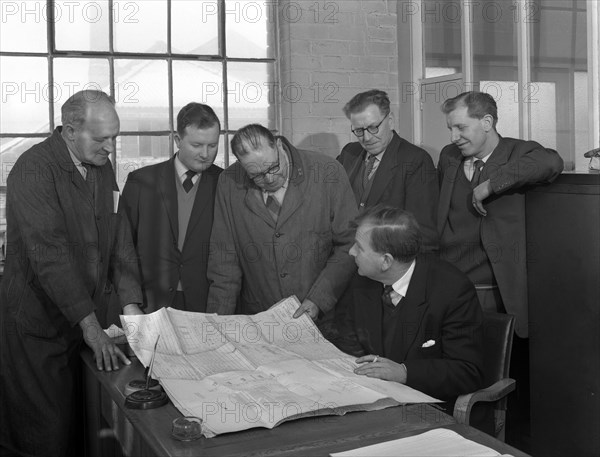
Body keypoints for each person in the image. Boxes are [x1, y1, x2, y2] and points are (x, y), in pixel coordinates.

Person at [0, 90, 143, 457]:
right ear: (68, 132)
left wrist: (130, 305)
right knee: (47, 435)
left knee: (86, 430)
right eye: (101, 138)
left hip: (81, 323)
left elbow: (119, 233)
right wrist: (92, 328)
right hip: (39, 328)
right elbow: (50, 256)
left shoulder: (100, 163)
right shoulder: (32, 170)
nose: (110, 146)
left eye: (115, 136)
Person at [437, 91, 564, 337]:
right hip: (450, 283)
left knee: (493, 365)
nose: (454, 137)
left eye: (461, 127)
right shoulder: (448, 156)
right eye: (450, 128)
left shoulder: (518, 152)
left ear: (487, 122)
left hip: (494, 290)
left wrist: (491, 184)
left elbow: (551, 162)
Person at [206, 124, 357, 321]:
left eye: (273, 167)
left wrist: (319, 299)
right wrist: (217, 323)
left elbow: (350, 244)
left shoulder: (328, 172)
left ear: (278, 145)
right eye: (257, 176)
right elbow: (224, 261)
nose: (269, 178)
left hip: (323, 319)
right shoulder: (229, 182)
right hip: (260, 319)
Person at [336, 205, 483, 403]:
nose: (351, 252)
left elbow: (467, 372)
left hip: (426, 409)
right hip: (368, 396)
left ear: (386, 261)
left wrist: (405, 373)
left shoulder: (453, 291)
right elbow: (347, 340)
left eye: (359, 247)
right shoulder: (362, 279)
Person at [120, 103, 223, 313]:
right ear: (177, 140)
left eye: (212, 145)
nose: (206, 154)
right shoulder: (141, 182)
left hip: (206, 304)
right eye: (197, 145)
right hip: (150, 303)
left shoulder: (225, 183)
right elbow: (123, 247)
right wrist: (130, 303)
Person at [337, 89, 439, 251]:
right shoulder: (349, 153)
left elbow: (422, 232)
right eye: (359, 131)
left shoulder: (415, 160)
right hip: (346, 256)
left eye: (373, 127)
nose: (367, 138)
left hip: (387, 262)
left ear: (390, 120)